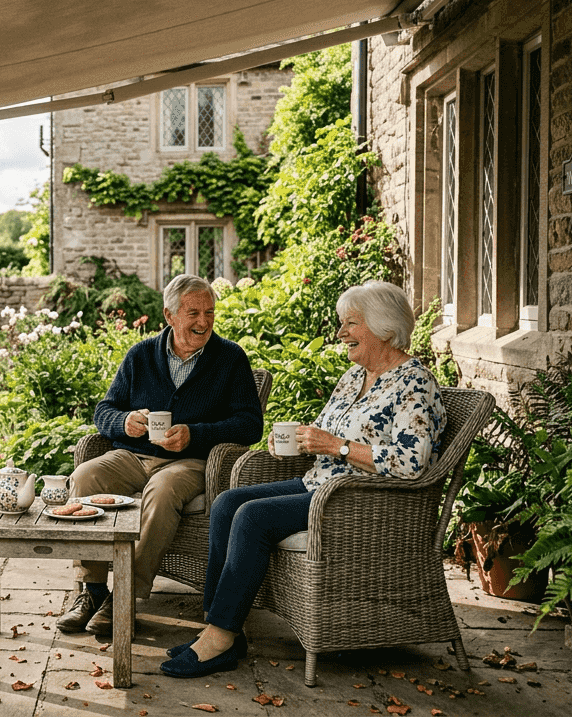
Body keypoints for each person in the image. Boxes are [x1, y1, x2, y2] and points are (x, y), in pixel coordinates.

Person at [160, 280, 447, 678]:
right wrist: (301, 443)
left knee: (252, 518)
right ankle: (222, 625)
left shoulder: (414, 384)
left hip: (359, 498)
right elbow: (329, 435)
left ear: (382, 327)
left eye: (350, 324)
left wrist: (336, 447)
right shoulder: (354, 377)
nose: (341, 333)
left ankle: (219, 638)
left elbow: (411, 463)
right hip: (321, 482)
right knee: (227, 503)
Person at [56, 274, 263, 637]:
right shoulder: (140, 355)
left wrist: (195, 434)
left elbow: (249, 425)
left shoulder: (230, 359)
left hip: (191, 461)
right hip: (133, 457)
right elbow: (104, 410)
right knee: (86, 476)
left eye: (210, 313)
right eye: (193, 313)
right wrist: (125, 422)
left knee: (163, 490)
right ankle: (92, 591)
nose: (204, 322)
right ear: (169, 315)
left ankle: (125, 595)